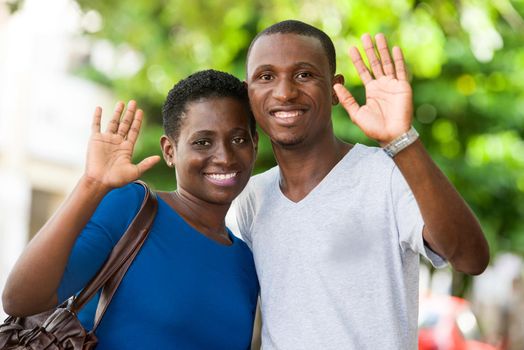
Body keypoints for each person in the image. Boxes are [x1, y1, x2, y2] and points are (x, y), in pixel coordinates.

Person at [228, 20, 490, 349]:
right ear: (249, 93)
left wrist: (401, 141)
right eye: (266, 77)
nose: (284, 92)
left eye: (304, 74)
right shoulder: (249, 199)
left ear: (335, 88)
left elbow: (471, 259)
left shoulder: (387, 174)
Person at [2, 69, 259, 349]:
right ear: (169, 151)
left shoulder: (247, 259)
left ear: (255, 145)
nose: (224, 156)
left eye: (238, 139)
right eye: (202, 142)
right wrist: (92, 184)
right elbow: (20, 299)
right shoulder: (131, 208)